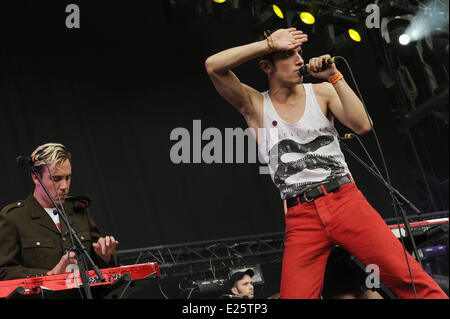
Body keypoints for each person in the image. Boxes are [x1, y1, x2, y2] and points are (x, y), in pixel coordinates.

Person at [204, 27, 448, 299]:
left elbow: (362, 125)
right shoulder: (254, 104)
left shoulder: (321, 92)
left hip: (344, 200)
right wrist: (269, 43)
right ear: (266, 66)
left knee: (409, 278)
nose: (299, 60)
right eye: (287, 54)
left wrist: (334, 76)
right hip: (301, 215)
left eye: (299, 53)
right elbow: (213, 66)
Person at [0, 143, 119, 281]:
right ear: (35, 177)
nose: (64, 186)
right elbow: (3, 271)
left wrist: (106, 257)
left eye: (68, 178)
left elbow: (99, 266)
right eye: (56, 179)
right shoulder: (13, 218)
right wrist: (50, 275)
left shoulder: (78, 211)